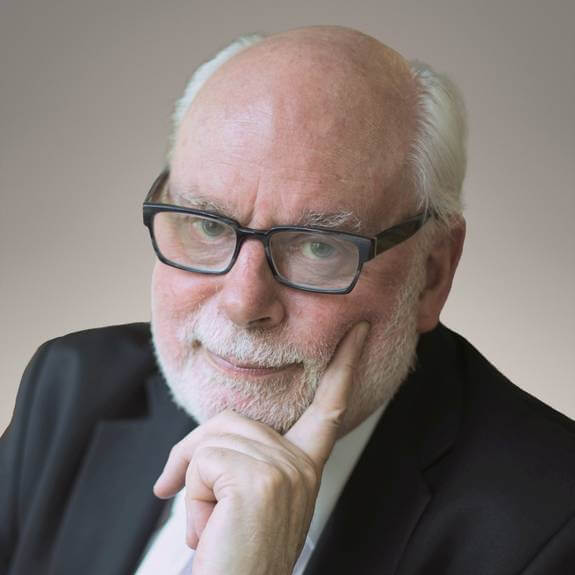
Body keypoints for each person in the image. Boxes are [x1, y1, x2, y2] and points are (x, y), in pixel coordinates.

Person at [1, 25, 574, 575]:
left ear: (431, 274)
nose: (244, 303)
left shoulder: (553, 527)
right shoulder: (72, 387)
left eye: (319, 246)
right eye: (208, 225)